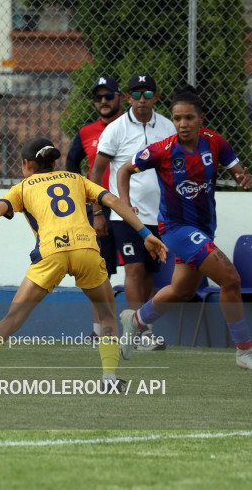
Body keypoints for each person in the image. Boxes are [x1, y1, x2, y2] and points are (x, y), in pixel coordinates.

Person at [0, 138, 168, 393]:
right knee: (106, 315)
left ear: (26, 164)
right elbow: (112, 201)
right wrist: (146, 234)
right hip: (85, 250)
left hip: (51, 254)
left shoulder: (23, 187)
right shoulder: (76, 179)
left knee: (13, 318)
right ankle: (109, 380)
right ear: (53, 161)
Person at [117, 85, 252, 370]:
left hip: (203, 229)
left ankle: (135, 319)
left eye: (188, 118)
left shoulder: (215, 143)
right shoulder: (162, 150)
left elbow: (237, 169)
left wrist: (242, 177)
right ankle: (245, 351)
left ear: (201, 118)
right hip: (176, 229)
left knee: (182, 291)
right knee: (230, 279)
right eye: (177, 118)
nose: (182, 124)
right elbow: (123, 170)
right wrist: (126, 205)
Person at [90, 73, 176, 351]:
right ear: (127, 98)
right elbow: (97, 171)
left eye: (148, 93)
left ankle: (143, 329)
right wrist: (98, 211)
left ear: (156, 97)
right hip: (125, 216)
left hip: (160, 216)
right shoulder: (115, 129)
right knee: (134, 269)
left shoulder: (168, 127)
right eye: (136, 94)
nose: (142, 99)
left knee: (150, 274)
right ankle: (138, 335)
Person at [66, 76, 124, 341]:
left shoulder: (132, 126)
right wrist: (86, 200)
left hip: (133, 207)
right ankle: (99, 331)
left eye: (108, 96)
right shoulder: (87, 132)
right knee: (100, 270)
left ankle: (143, 331)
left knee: (141, 270)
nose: (103, 101)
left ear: (120, 98)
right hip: (99, 210)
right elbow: (71, 162)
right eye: (99, 97)